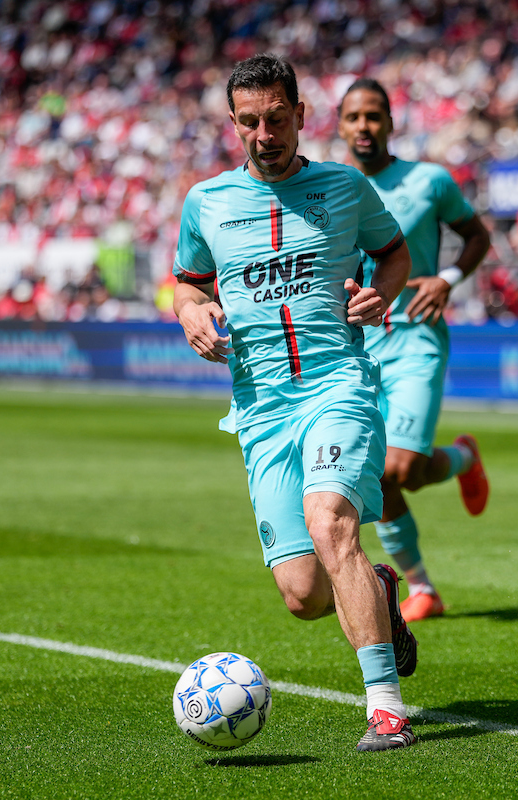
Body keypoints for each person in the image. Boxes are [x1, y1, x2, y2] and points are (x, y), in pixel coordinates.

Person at [172, 54, 419, 752]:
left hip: (338, 384)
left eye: (276, 119)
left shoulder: (344, 188)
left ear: (301, 115)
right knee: (305, 595)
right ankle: (378, 590)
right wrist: (190, 313)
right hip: (261, 410)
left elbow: (393, 253)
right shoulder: (207, 202)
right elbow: (188, 284)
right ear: (233, 124)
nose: (264, 134)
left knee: (330, 522)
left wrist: (384, 292)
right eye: (248, 122)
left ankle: (386, 708)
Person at [337, 78, 492, 622]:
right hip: (355, 345)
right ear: (338, 124)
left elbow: (477, 236)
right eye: (353, 117)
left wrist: (447, 277)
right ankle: (424, 587)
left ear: (390, 123)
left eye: (374, 116)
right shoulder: (329, 188)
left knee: (394, 469)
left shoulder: (429, 180)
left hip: (416, 336)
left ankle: (462, 462)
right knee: (378, 471)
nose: (364, 126)